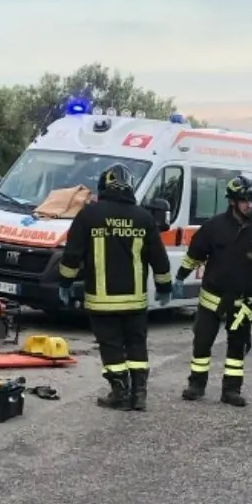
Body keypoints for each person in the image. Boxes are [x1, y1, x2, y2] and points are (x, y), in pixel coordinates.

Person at [56, 165, 173, 411]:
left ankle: (120, 392)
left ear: (103, 188)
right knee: (136, 344)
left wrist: (65, 283)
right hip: (135, 300)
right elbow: (159, 258)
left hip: (102, 299)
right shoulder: (143, 217)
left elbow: (72, 254)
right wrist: (165, 287)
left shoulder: (89, 215)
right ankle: (139, 394)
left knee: (111, 345)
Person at [173, 175, 252, 407]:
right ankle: (196, 385)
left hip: (244, 302)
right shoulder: (213, 227)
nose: (249, 204)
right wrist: (180, 277)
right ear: (232, 201)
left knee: (237, 347)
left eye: (251, 200)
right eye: (244, 200)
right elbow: (195, 255)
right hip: (212, 299)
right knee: (202, 343)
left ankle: (231, 391)